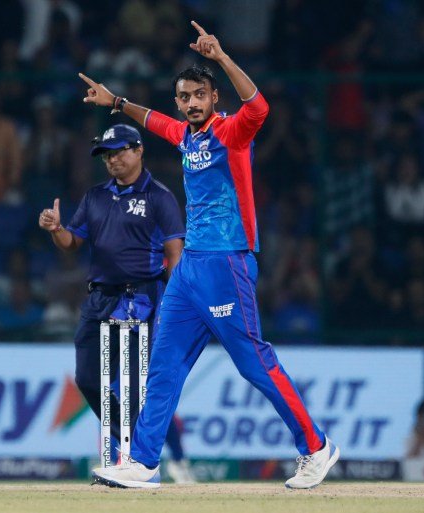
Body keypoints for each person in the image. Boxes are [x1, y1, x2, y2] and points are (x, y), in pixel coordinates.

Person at [81, 21, 339, 489]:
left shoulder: (232, 133)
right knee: (163, 365)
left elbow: (259, 106)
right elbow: (157, 122)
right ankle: (142, 462)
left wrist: (221, 58)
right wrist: (117, 102)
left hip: (228, 263)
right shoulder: (187, 136)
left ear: (213, 98)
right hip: (189, 268)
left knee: (252, 361)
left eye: (199, 94)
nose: (191, 103)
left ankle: (316, 447)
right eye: (184, 96)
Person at [38, 123, 195, 484]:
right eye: (108, 154)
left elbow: (176, 255)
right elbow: (72, 243)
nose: (113, 160)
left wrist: (177, 309)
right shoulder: (95, 196)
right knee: (88, 379)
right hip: (99, 298)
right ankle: (137, 450)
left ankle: (138, 462)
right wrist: (56, 229)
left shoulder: (159, 196)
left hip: (141, 296)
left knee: (136, 386)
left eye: (120, 151)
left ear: (139, 150)